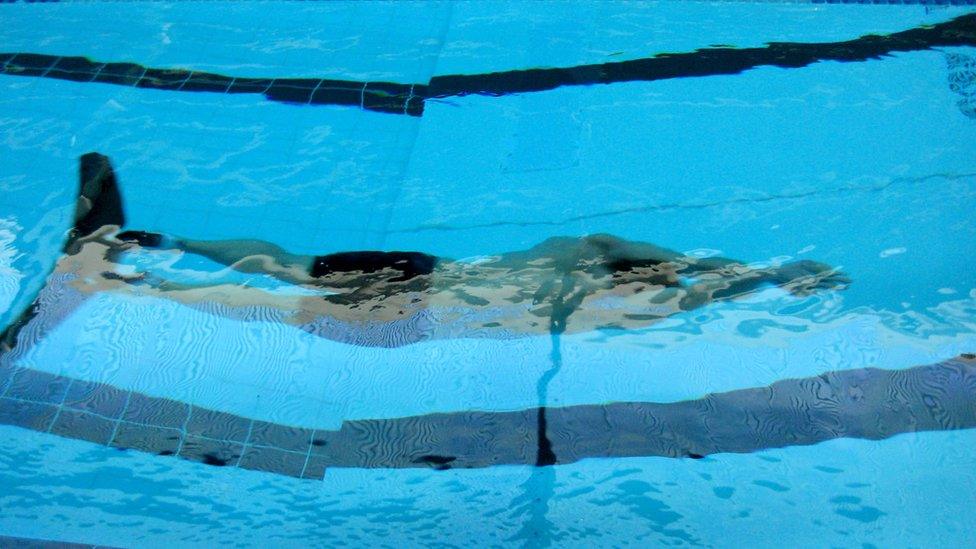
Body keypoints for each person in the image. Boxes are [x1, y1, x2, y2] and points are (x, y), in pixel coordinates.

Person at [1, 153, 849, 351]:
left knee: (288, 265)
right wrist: (776, 278)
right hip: (425, 303)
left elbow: (648, 253)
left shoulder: (585, 248)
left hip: (423, 268)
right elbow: (705, 292)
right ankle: (114, 282)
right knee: (274, 302)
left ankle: (156, 239)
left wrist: (734, 268)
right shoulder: (622, 303)